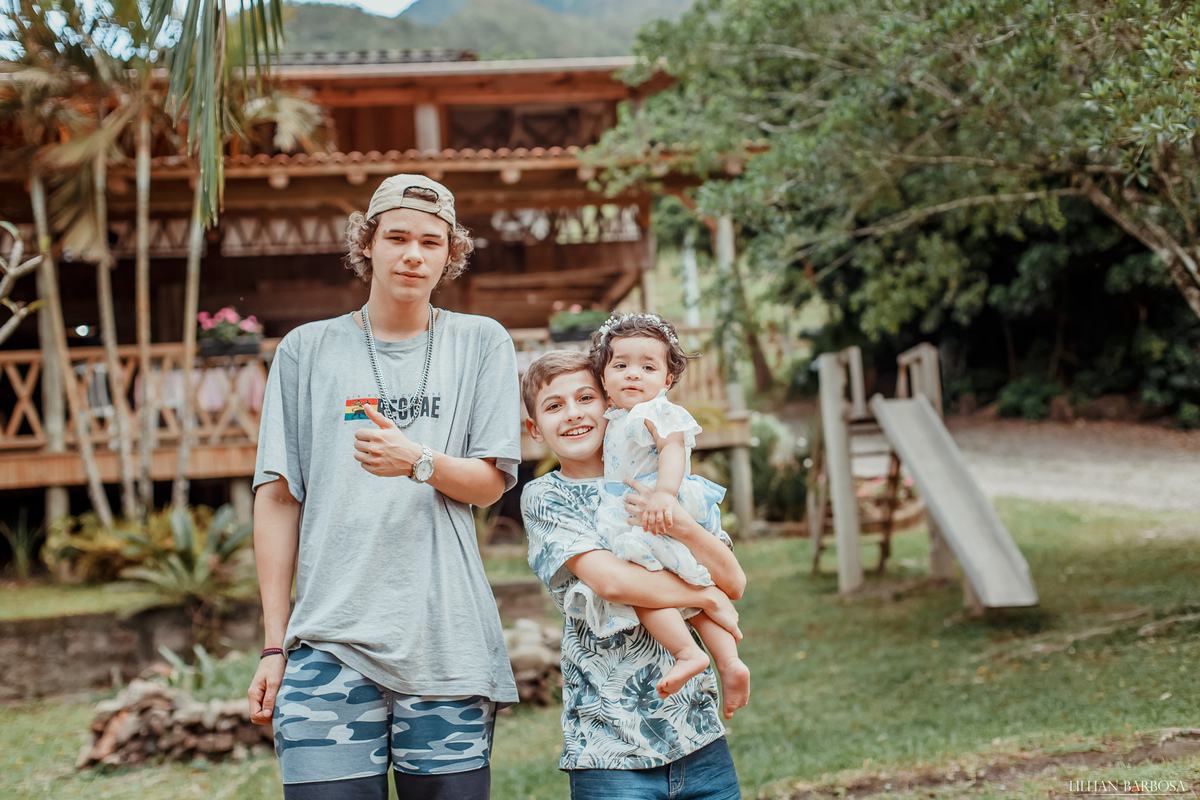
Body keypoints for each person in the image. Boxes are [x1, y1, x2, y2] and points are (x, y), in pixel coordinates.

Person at [247, 174, 522, 800]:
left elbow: (488, 484)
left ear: (450, 255)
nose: (412, 255)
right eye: (397, 237)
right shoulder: (306, 350)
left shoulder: (481, 342)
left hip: (446, 644)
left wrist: (417, 460)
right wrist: (272, 645)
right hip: (327, 643)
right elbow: (278, 499)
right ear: (367, 243)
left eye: (431, 241)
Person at [520, 350, 746, 800]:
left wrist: (679, 522)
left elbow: (733, 582)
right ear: (535, 428)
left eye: (586, 398)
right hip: (610, 748)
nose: (573, 413)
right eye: (554, 405)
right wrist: (706, 596)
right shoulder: (546, 496)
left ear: (609, 404)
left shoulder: (663, 482)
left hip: (698, 735)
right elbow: (613, 583)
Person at [582, 311, 750, 710]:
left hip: (657, 505)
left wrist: (664, 495)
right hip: (643, 506)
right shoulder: (617, 417)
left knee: (643, 582)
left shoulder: (654, 410)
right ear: (603, 377)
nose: (633, 374)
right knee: (686, 579)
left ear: (667, 380)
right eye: (621, 366)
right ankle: (730, 663)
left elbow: (672, 449)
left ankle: (688, 653)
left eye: (648, 367)